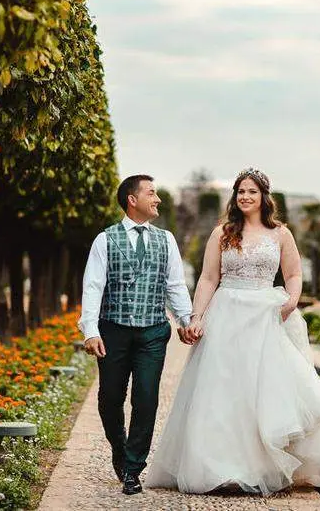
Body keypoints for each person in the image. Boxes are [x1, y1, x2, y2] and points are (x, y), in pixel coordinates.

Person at [146, 167, 320, 495]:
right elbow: (209, 278)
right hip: (227, 313)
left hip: (267, 314)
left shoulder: (280, 233)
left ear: (264, 196)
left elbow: (294, 273)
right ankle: (222, 469)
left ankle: (264, 467)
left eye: (252, 191)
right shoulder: (222, 233)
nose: (245, 197)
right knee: (224, 391)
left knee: (264, 392)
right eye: (240, 191)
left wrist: (291, 302)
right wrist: (197, 316)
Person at [78, 174, 193, 495]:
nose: (158, 199)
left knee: (146, 398)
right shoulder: (105, 239)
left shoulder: (166, 239)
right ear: (132, 199)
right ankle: (119, 448)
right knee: (109, 398)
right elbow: (93, 287)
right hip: (113, 331)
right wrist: (90, 329)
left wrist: (185, 319)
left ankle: (133, 467)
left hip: (154, 332)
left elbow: (174, 285)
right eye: (152, 193)